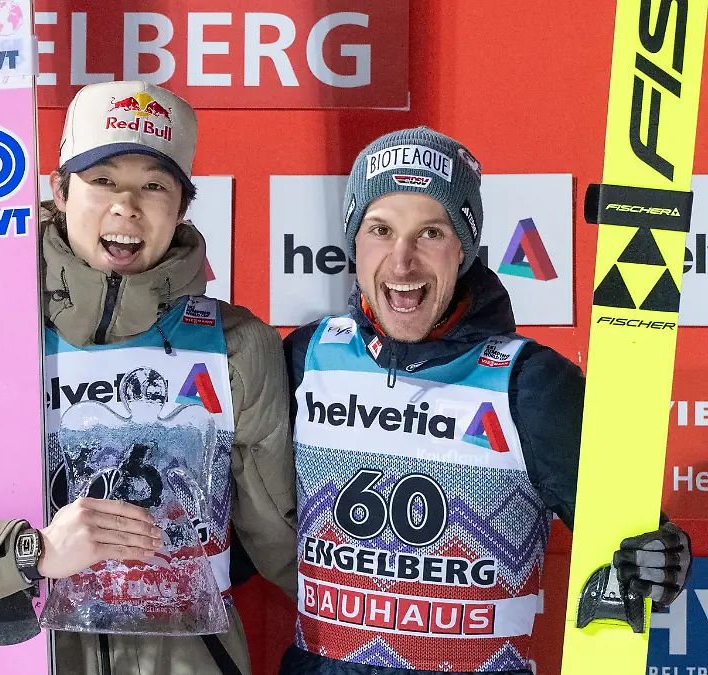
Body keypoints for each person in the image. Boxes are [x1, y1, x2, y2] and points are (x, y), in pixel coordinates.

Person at [0, 80, 298, 675]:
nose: (125, 206)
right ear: (58, 190)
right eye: (102, 180)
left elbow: (295, 551)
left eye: (154, 186)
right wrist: (34, 552)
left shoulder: (236, 347)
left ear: (181, 207)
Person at [281, 127, 692, 675]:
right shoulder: (306, 358)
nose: (401, 263)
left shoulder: (533, 384)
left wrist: (660, 558)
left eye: (431, 232)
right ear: (354, 241)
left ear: (465, 249)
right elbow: (235, 528)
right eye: (380, 229)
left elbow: (634, 544)